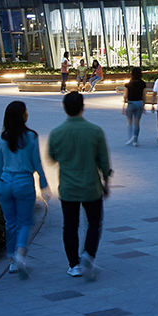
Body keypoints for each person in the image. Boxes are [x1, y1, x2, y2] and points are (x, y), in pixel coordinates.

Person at [47, 91, 112, 280]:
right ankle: (88, 254)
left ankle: (73, 265)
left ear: (64, 108)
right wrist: (106, 182)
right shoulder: (95, 131)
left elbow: (52, 157)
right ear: (83, 107)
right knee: (94, 222)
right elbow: (104, 161)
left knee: (70, 225)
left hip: (68, 188)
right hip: (91, 186)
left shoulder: (56, 133)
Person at [0, 100, 48, 278]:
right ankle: (20, 252)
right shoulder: (31, 136)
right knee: (25, 222)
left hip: (5, 182)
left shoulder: (2, 138)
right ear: (23, 116)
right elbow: (37, 163)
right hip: (23, 182)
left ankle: (13, 260)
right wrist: (44, 184)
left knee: (10, 223)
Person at [122, 67, 146, 147]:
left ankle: (130, 138)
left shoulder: (128, 84)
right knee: (137, 122)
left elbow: (125, 96)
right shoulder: (142, 83)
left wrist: (124, 106)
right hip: (139, 103)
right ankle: (135, 140)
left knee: (129, 122)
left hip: (131, 103)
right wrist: (144, 105)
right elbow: (144, 95)